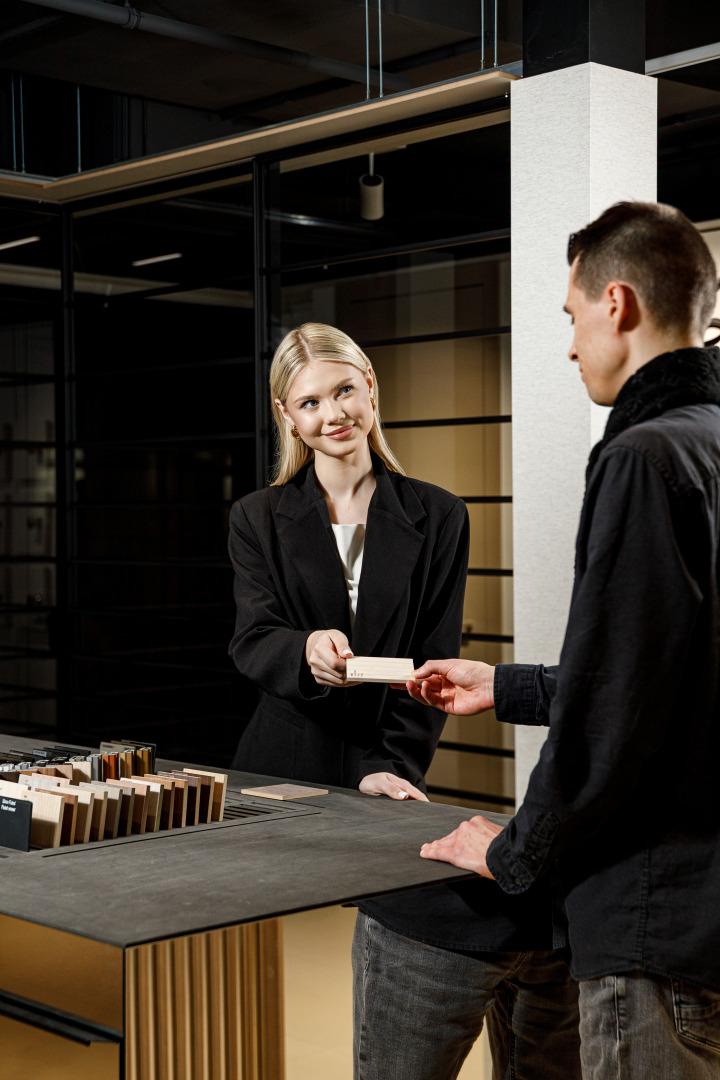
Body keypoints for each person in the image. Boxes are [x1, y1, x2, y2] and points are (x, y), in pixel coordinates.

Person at [411, 202, 720, 1079]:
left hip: (652, 921)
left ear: (615, 303)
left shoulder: (642, 456)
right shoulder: (710, 444)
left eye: (572, 316)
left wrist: (512, 853)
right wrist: (500, 687)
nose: (571, 343)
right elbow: (674, 672)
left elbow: (612, 713)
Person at [228, 323, 581, 1080]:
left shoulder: (440, 514)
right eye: (310, 401)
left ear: (371, 388)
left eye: (344, 389)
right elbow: (251, 639)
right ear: (287, 417)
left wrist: (383, 767)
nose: (333, 414)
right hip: (283, 763)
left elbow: (433, 669)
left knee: (436, 902)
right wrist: (302, 651)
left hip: (386, 768)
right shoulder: (256, 517)